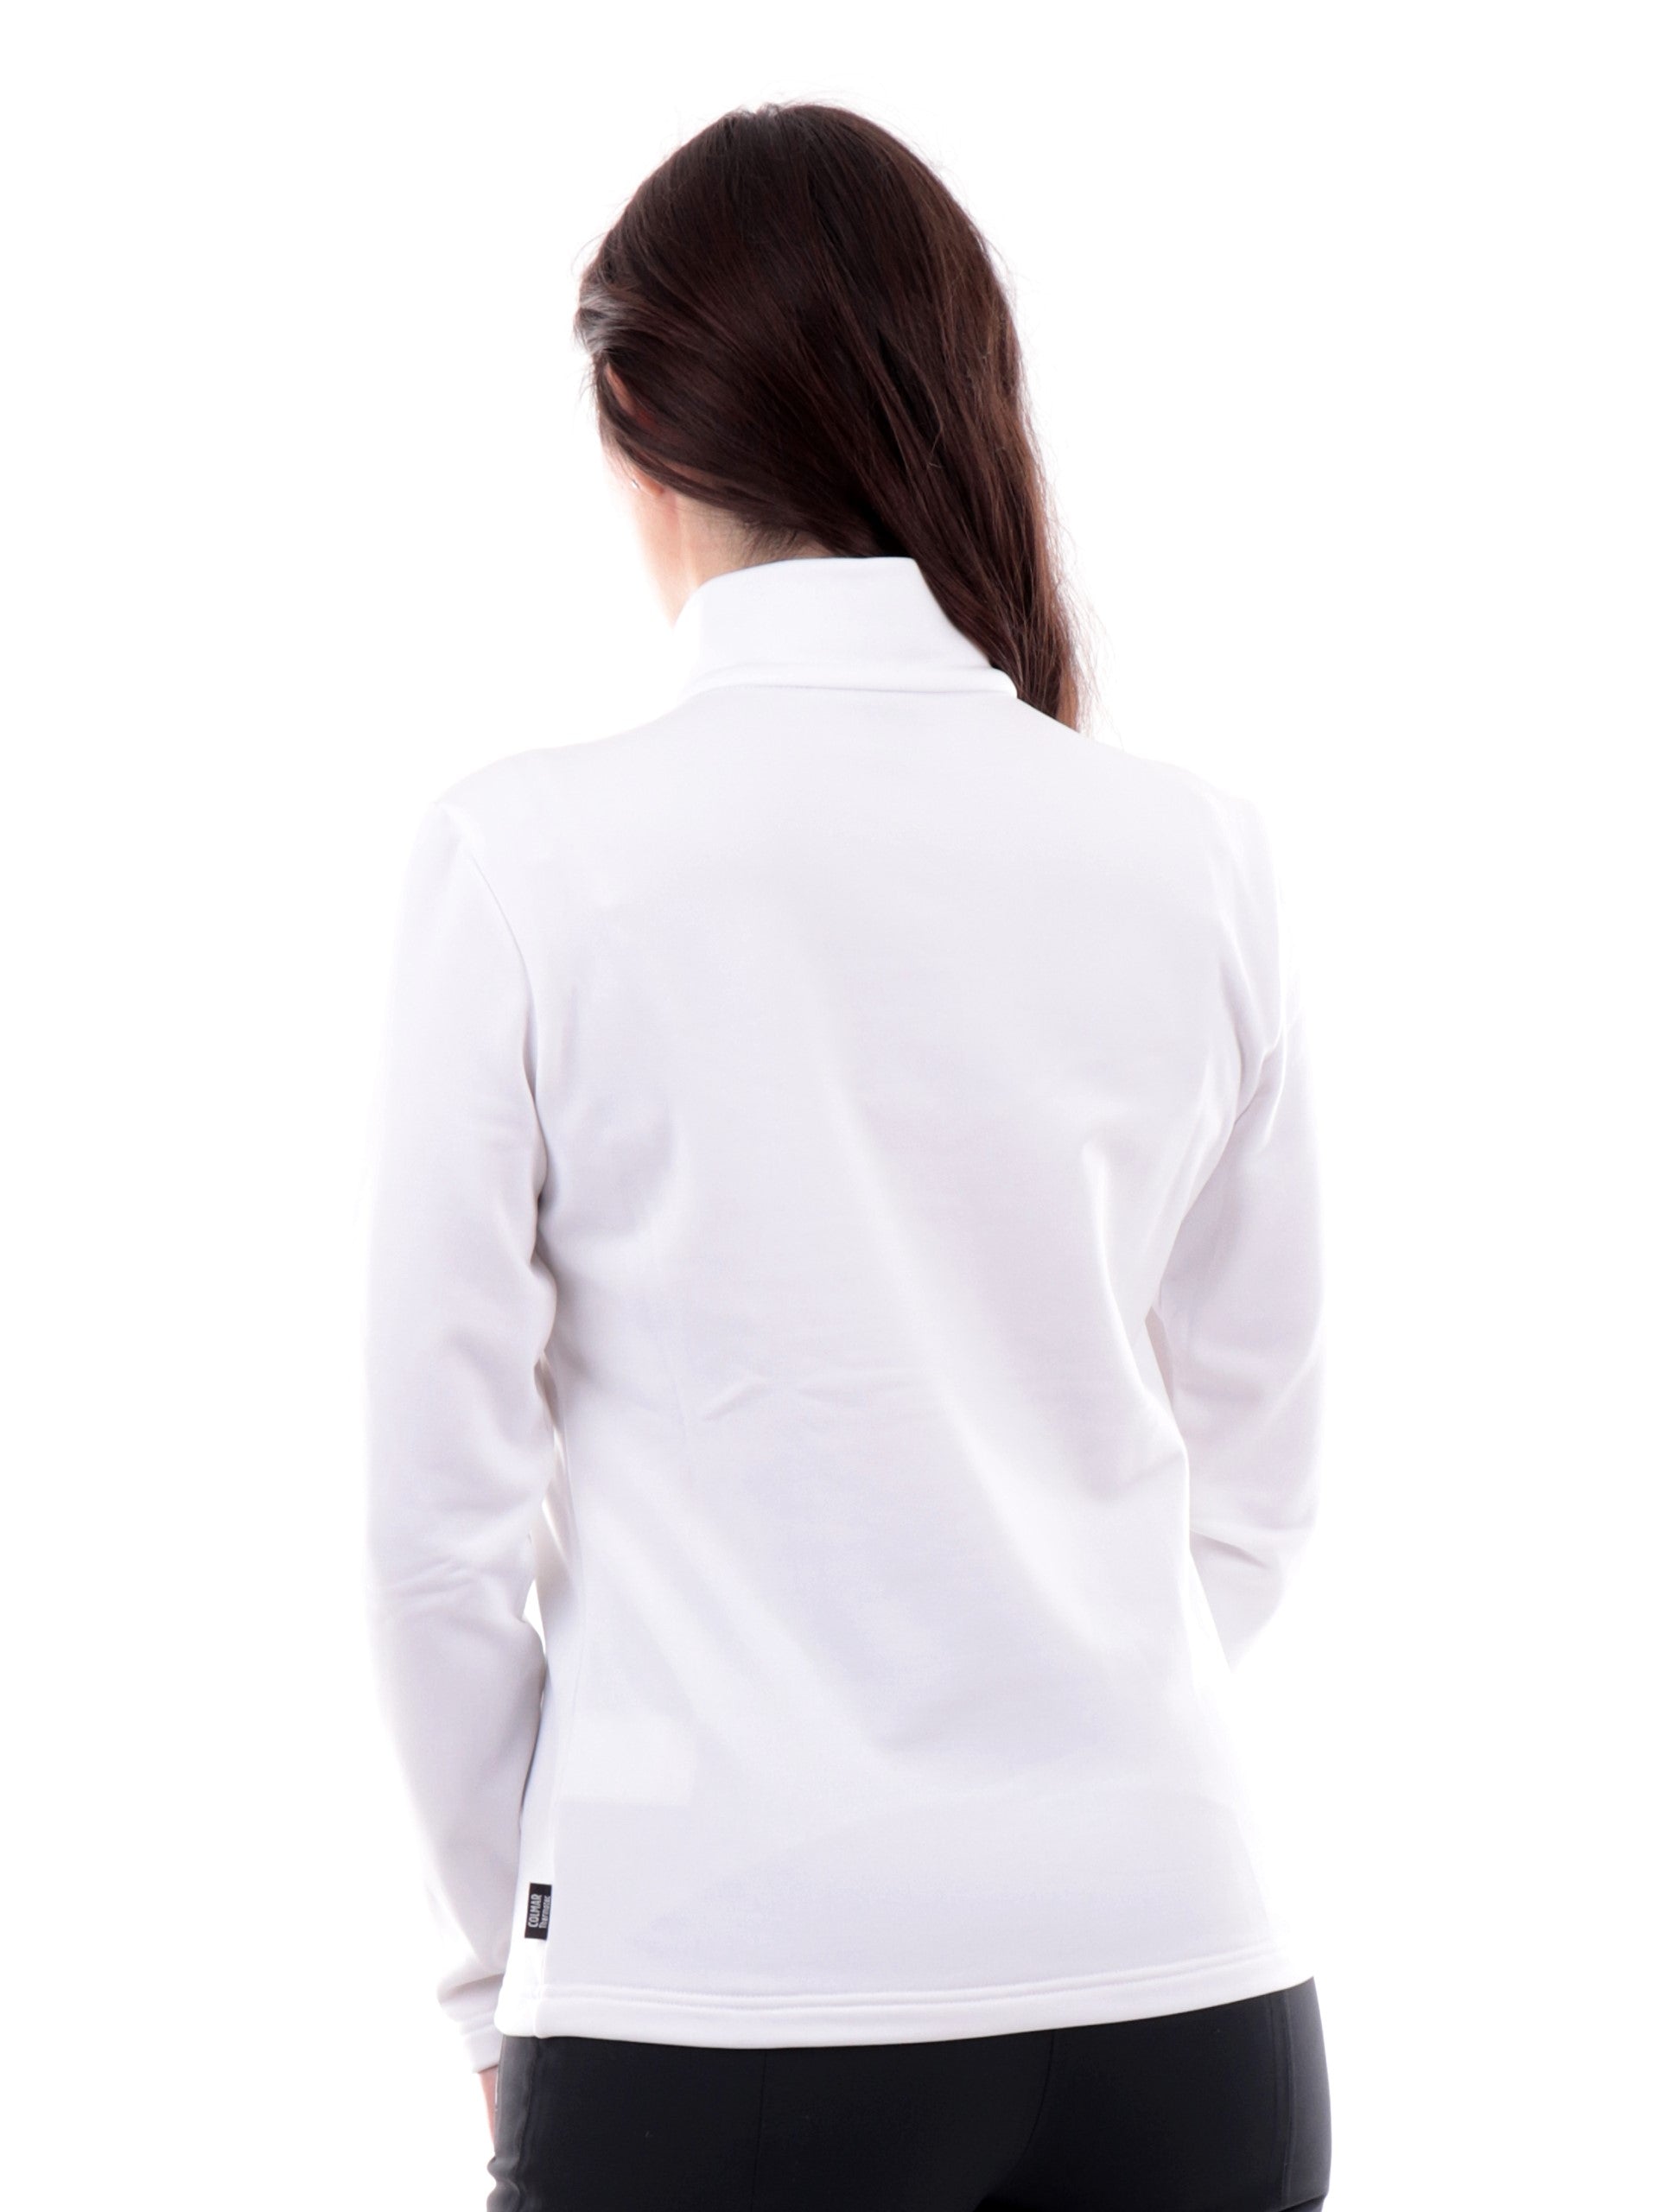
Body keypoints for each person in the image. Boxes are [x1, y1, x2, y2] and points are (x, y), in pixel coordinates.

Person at [360, 99, 1334, 2212]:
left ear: (634, 417)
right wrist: (1038, 1718)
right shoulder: (1194, 855)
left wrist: (494, 1985)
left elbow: (435, 1534)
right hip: (1182, 1989)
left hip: (715, 2000)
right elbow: (1258, 1472)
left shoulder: (528, 859)